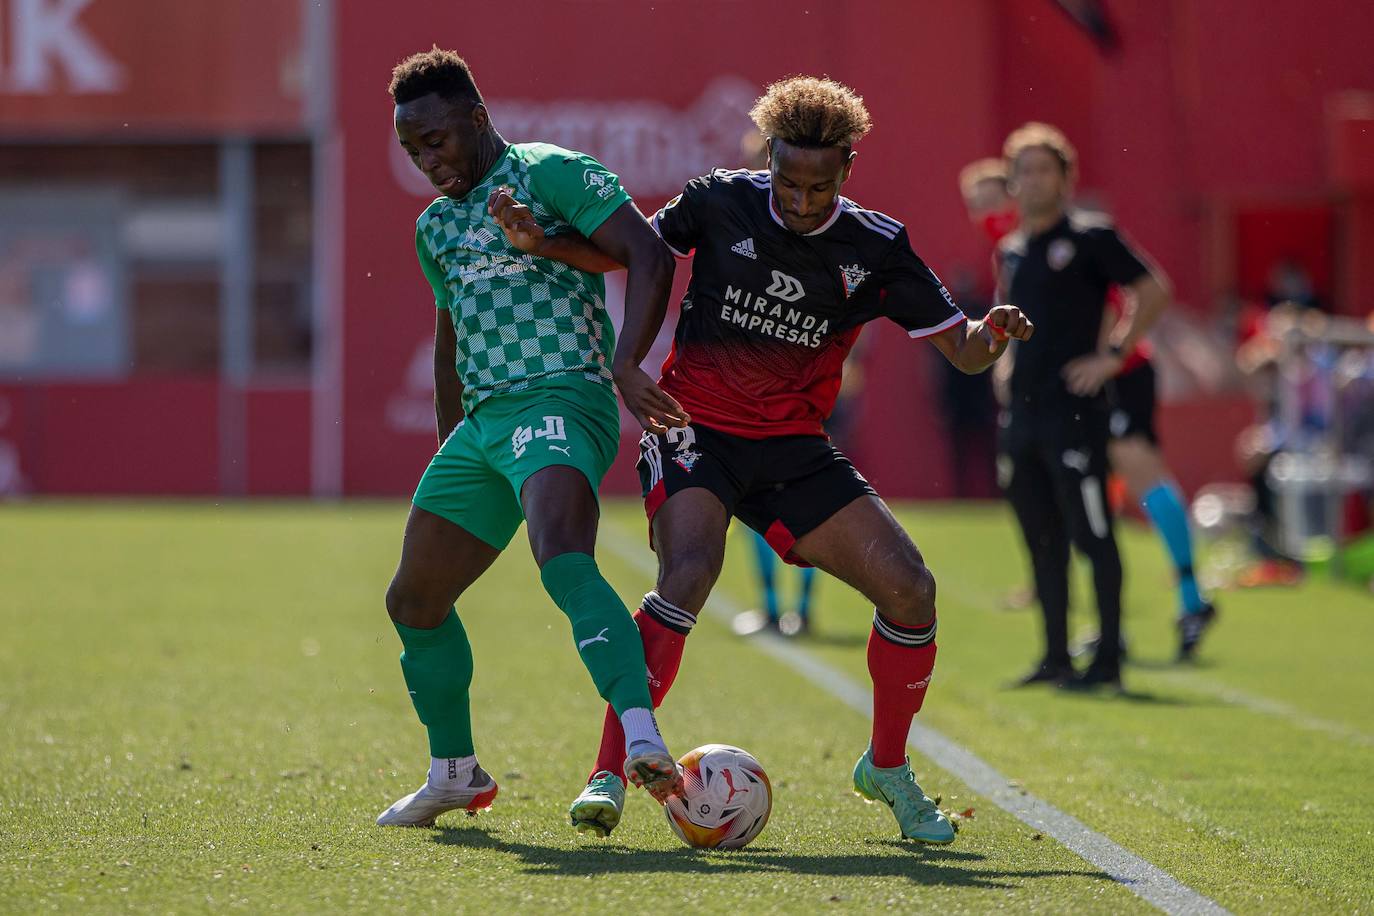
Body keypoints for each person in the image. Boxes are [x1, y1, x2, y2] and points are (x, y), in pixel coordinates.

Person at [530, 77, 1033, 843]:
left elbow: (962, 351)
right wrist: (545, 243)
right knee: (689, 573)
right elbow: (626, 254)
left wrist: (990, 331)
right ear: (768, 157)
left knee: (910, 589)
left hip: (794, 447)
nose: (801, 202)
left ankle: (887, 768)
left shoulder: (876, 246)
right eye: (789, 182)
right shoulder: (717, 200)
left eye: (820, 187)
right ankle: (610, 767)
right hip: (692, 427)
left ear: (848, 171)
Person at [374, 48, 684, 828]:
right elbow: (450, 338)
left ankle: (642, 739)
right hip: (483, 427)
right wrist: (454, 443)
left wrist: (625, 363)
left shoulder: (547, 172)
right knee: (414, 600)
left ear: (477, 119)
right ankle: (455, 773)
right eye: (413, 149)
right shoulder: (434, 226)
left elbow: (648, 252)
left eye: (438, 140)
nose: (427, 160)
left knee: (561, 554)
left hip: (562, 395)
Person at [963, 157, 1217, 659]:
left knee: (1138, 473)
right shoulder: (1017, 247)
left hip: (1114, 375)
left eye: (987, 200)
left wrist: (1107, 357)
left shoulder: (1070, 237)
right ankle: (1097, 617)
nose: (983, 213)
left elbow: (1102, 303)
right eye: (974, 206)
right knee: (1082, 491)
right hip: (1062, 386)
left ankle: (1191, 599)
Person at [996, 122, 1174, 690]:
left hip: (1073, 413)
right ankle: (1054, 657)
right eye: (1024, 170)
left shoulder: (1092, 238)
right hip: (1021, 417)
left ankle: (1108, 660)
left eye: (1045, 168)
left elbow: (1153, 289)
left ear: (1066, 178)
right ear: (1012, 182)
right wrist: (1002, 367)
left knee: (1092, 533)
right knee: (1040, 539)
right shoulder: (1012, 249)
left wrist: (1113, 355)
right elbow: (1005, 317)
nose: (1034, 180)